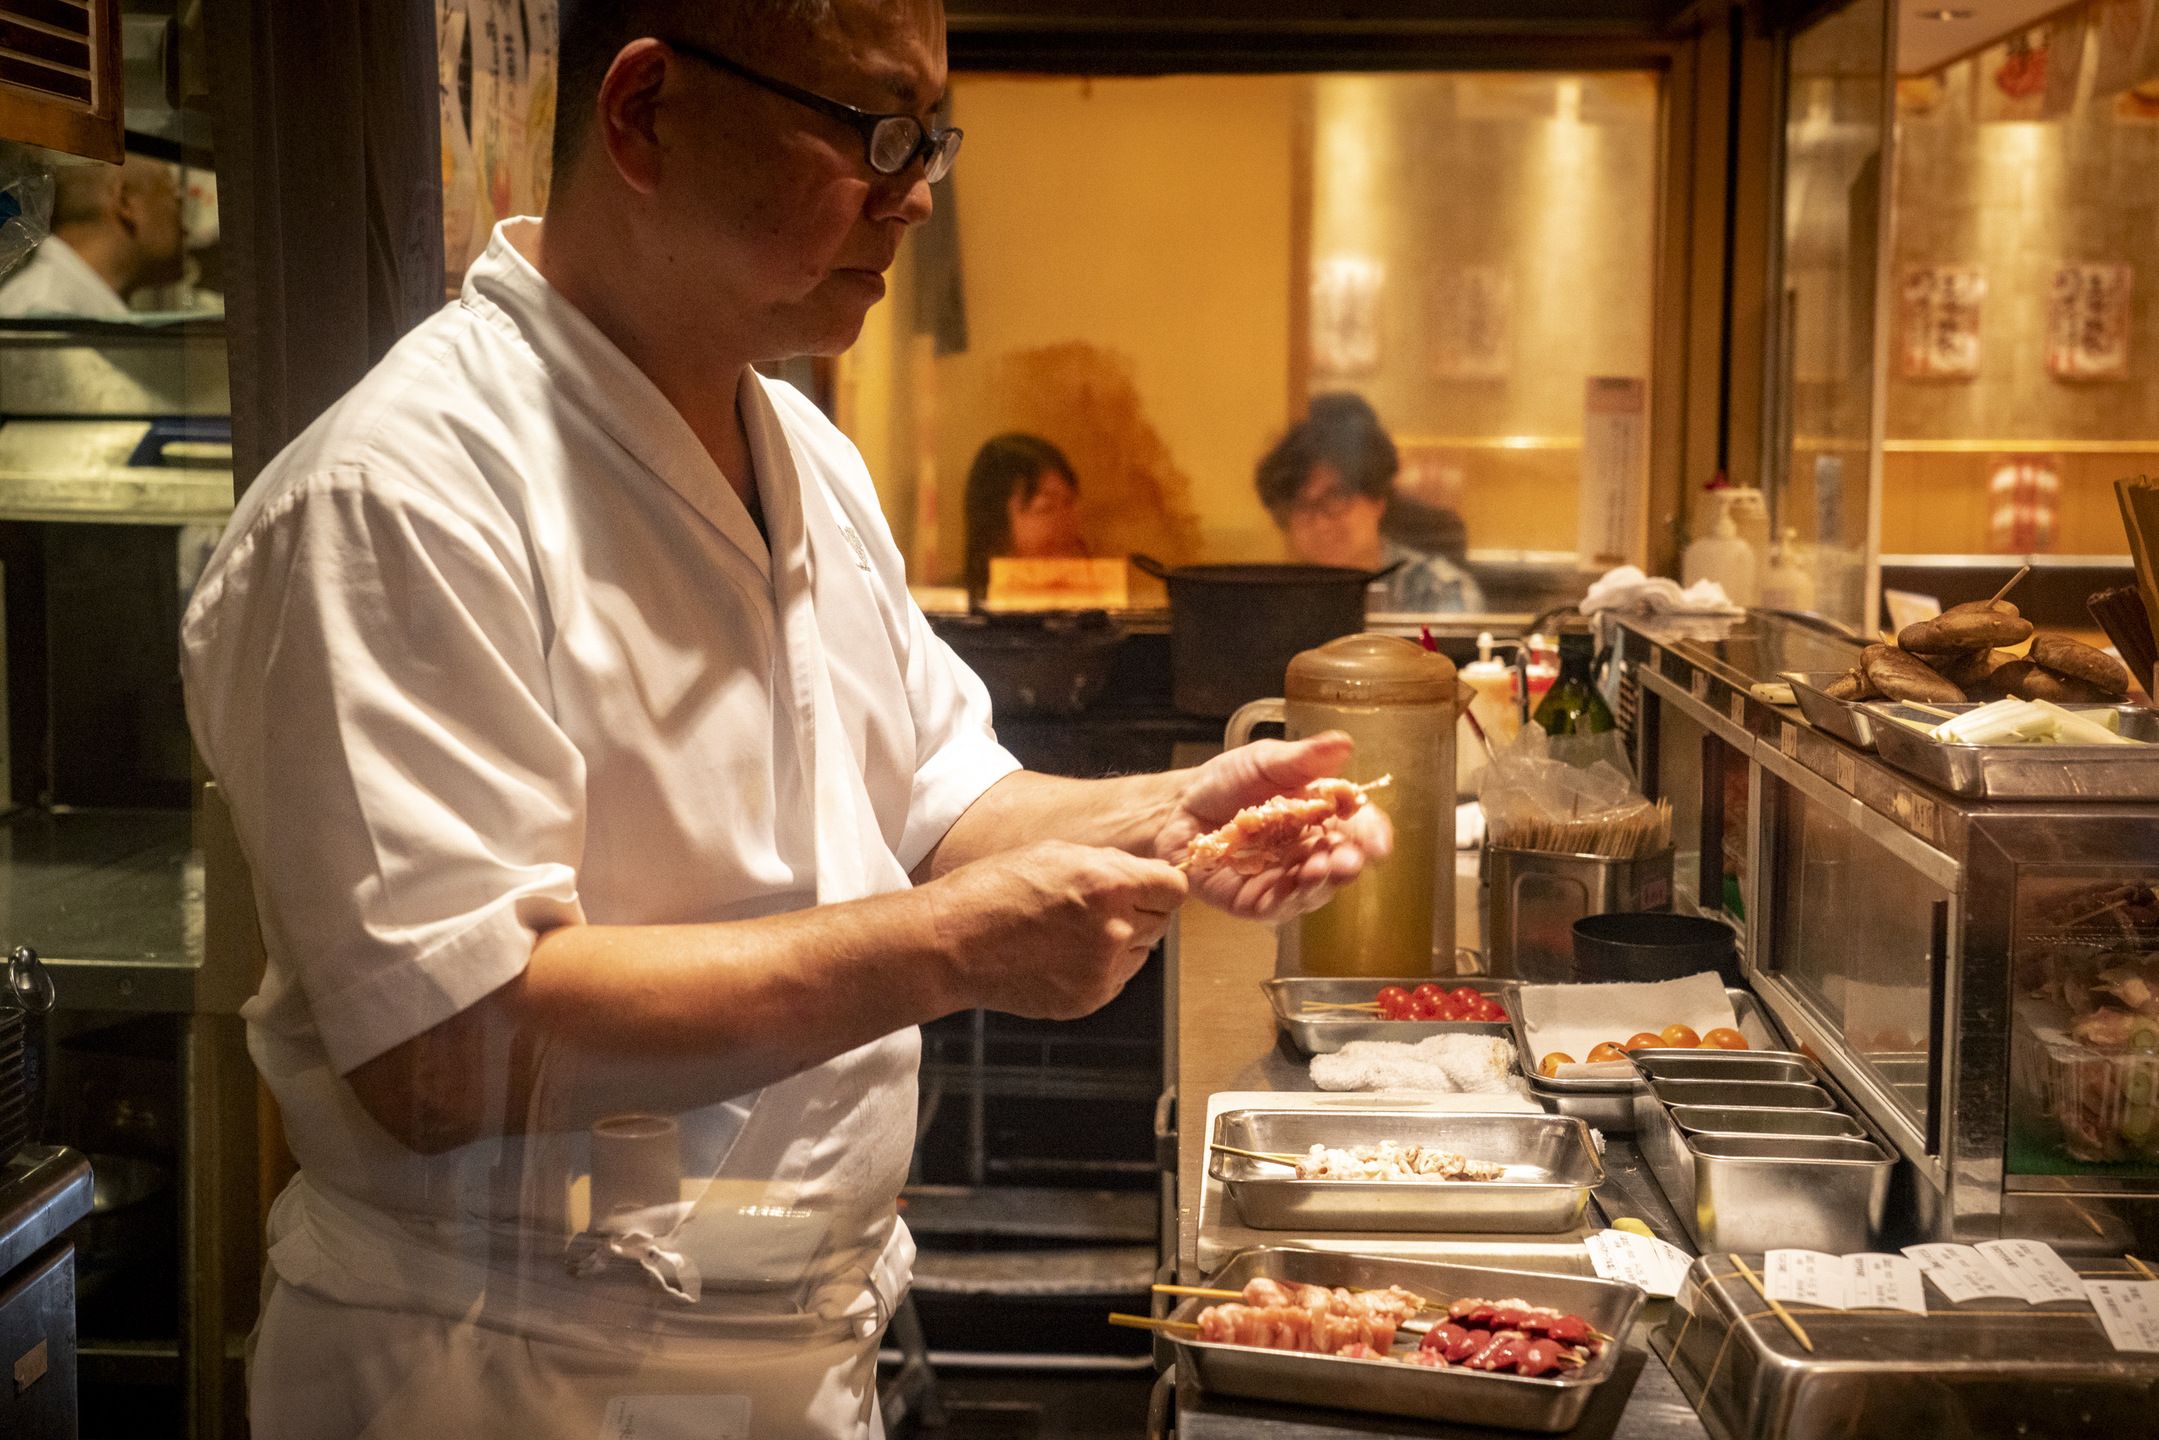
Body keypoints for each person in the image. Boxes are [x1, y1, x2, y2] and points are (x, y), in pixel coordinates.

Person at [178, 3, 1388, 1437]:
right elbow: (444, 1046)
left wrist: (1176, 815)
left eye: (929, 140)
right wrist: (951, 951)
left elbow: (938, 803)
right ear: (642, 114)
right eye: (875, 134)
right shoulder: (399, 500)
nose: (918, 194)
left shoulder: (802, 449)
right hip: (507, 1371)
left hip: (797, 1348)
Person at [1256, 392, 1486, 613]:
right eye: (1303, 506)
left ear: (1378, 500)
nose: (1321, 524)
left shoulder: (1438, 590)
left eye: (1336, 497)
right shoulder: (1273, 599)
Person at [0, 154, 184, 318]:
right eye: (172, 194)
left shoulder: (63, 311)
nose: (183, 218)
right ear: (125, 201)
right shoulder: (45, 315)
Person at [961, 431, 1087, 596]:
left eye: (1069, 503)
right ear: (996, 523)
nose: (1067, 520)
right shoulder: (949, 608)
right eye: (1045, 508)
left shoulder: (1089, 606)